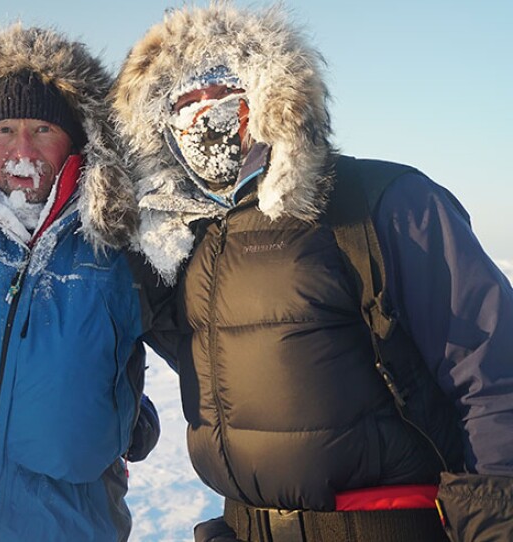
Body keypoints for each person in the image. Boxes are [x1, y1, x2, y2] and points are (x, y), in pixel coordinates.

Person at [111, 3, 513, 542]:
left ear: (269, 94)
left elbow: (491, 376)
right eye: (183, 101)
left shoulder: (381, 203)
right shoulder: (187, 244)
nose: (204, 113)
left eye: (223, 89)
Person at [0, 24, 160, 542]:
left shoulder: (120, 239)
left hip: (79, 522)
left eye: (43, 130)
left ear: (75, 140)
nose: (21, 151)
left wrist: (124, 414)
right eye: (4, 130)